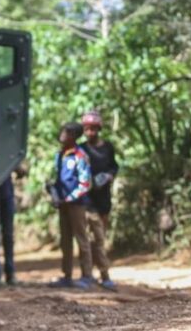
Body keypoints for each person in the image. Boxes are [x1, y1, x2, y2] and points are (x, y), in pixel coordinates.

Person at [48, 121, 94, 289]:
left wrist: (69, 198)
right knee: (65, 241)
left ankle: (87, 276)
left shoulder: (80, 155)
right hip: (63, 205)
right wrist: (53, 191)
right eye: (62, 131)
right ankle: (67, 275)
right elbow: (60, 179)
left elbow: (85, 183)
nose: (62, 135)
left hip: (77, 204)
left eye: (66, 132)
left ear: (74, 136)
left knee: (81, 239)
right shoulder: (59, 155)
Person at [81, 110, 118, 290]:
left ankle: (101, 274)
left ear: (99, 129)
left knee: (100, 238)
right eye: (87, 129)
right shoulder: (81, 149)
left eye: (93, 129)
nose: (90, 132)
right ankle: (94, 275)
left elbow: (114, 167)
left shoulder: (108, 147)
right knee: (90, 239)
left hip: (104, 199)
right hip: (88, 201)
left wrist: (109, 176)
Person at [0, 161, 27, 286]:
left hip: (6, 195)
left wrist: (18, 166)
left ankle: (10, 273)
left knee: (8, 235)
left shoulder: (7, 149)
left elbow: (21, 170)